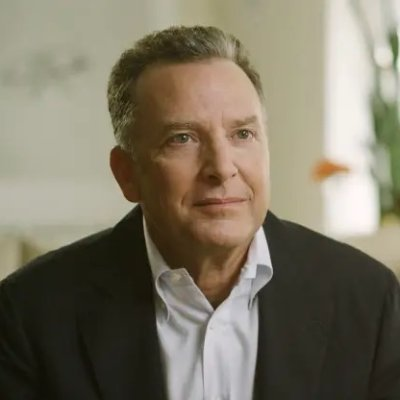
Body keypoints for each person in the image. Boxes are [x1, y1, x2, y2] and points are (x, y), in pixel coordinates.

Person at [0, 25, 399, 400]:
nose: (222, 168)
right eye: (183, 138)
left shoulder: (369, 301)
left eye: (242, 134)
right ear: (127, 174)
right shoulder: (30, 315)